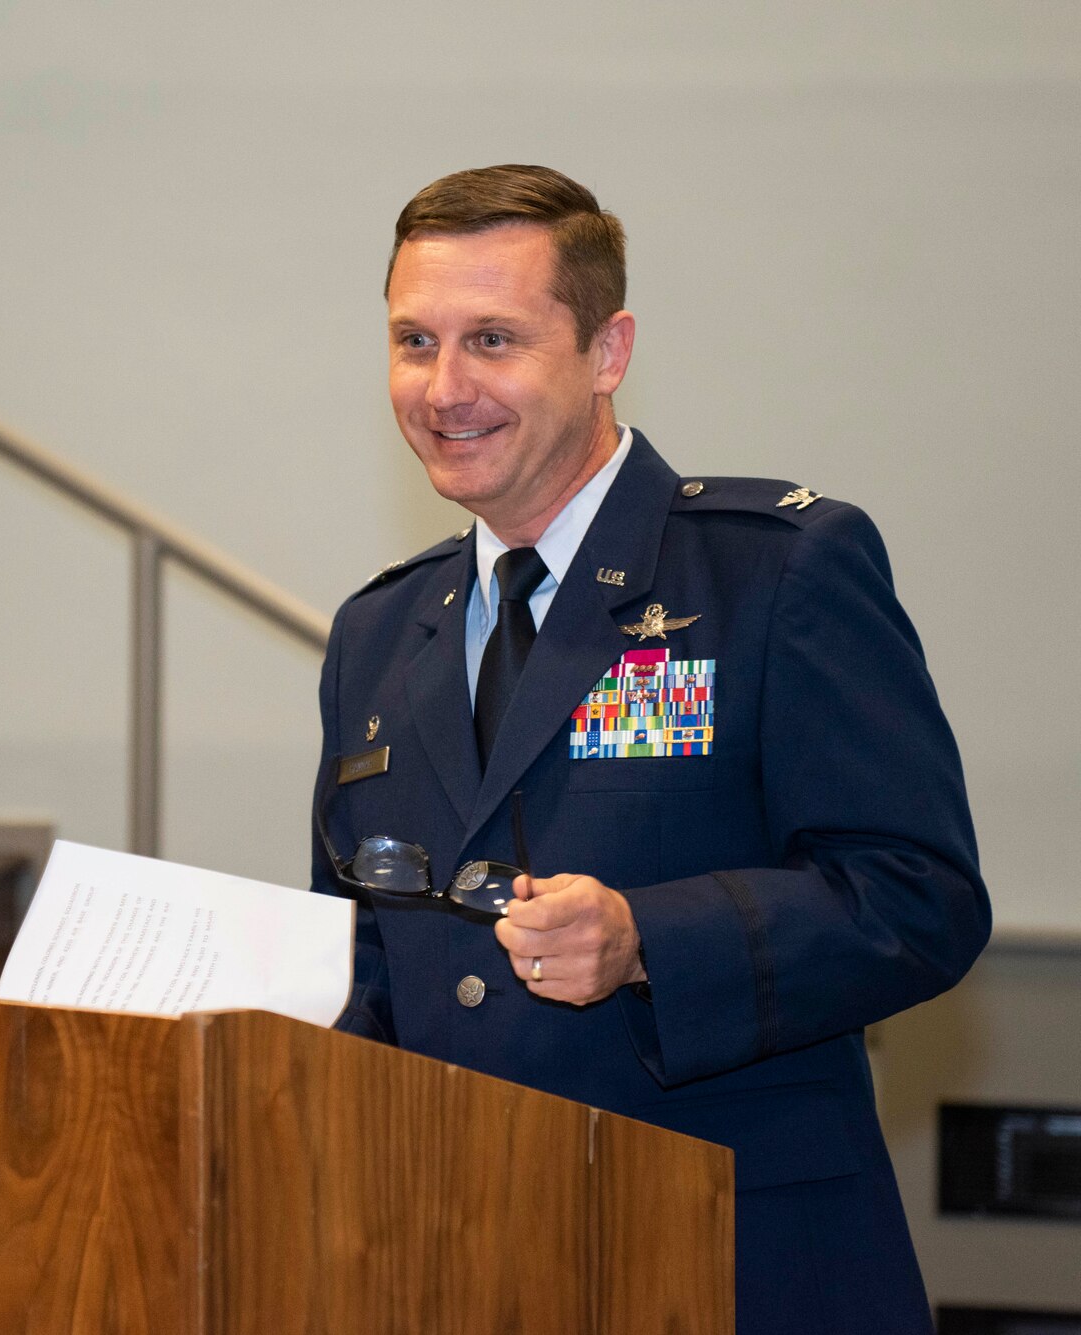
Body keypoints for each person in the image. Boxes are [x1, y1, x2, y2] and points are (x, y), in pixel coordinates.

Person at [313, 165, 987, 1332]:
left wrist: (644, 943)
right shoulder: (378, 632)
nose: (443, 386)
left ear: (606, 350)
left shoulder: (774, 572)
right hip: (454, 1264)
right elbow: (369, 963)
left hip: (730, 1260)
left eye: (493, 339)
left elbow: (917, 899)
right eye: (412, 340)